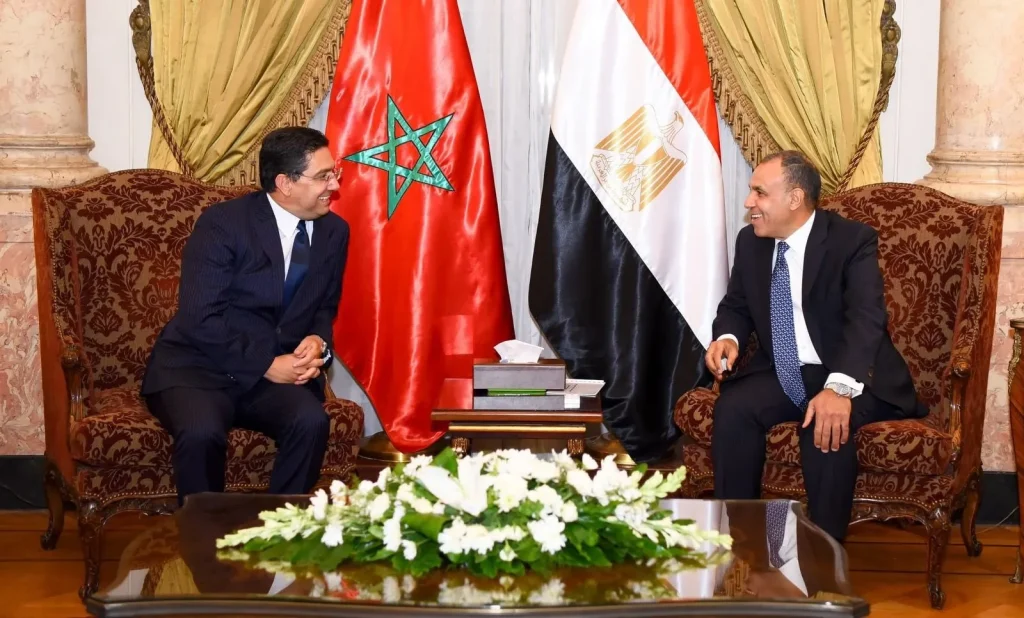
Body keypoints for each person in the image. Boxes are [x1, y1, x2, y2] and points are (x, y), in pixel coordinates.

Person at [705, 150, 926, 542]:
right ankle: (741, 542)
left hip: (852, 372)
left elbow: (866, 319)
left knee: (824, 424)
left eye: (760, 193)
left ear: (795, 198)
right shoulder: (752, 242)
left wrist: (838, 388)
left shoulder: (850, 241)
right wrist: (728, 337)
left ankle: (824, 555)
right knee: (733, 409)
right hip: (786, 370)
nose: (749, 202)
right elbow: (736, 305)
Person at [141, 127, 349, 504]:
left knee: (310, 421)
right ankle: (204, 536)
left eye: (333, 173)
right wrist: (264, 364)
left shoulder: (334, 232)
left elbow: (324, 306)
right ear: (285, 183)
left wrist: (318, 341)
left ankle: (279, 528)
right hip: (198, 368)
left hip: (272, 377)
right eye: (323, 176)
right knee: (202, 433)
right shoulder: (224, 224)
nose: (334, 185)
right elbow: (199, 317)